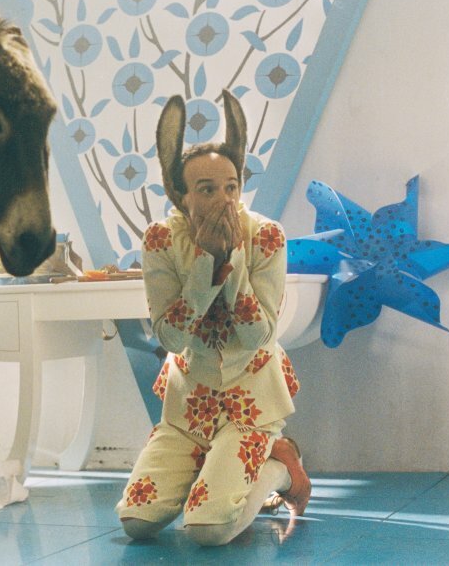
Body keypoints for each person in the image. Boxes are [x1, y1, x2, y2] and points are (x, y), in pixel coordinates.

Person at [115, 90, 311, 546]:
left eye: (231, 186)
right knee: (136, 522)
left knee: (209, 529)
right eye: (207, 189)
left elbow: (260, 334)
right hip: (189, 402)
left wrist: (232, 263)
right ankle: (213, 468)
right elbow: (170, 336)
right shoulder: (161, 239)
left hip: (251, 399)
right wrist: (205, 265)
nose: (224, 199)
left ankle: (280, 467)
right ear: (180, 196)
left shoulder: (266, 235)